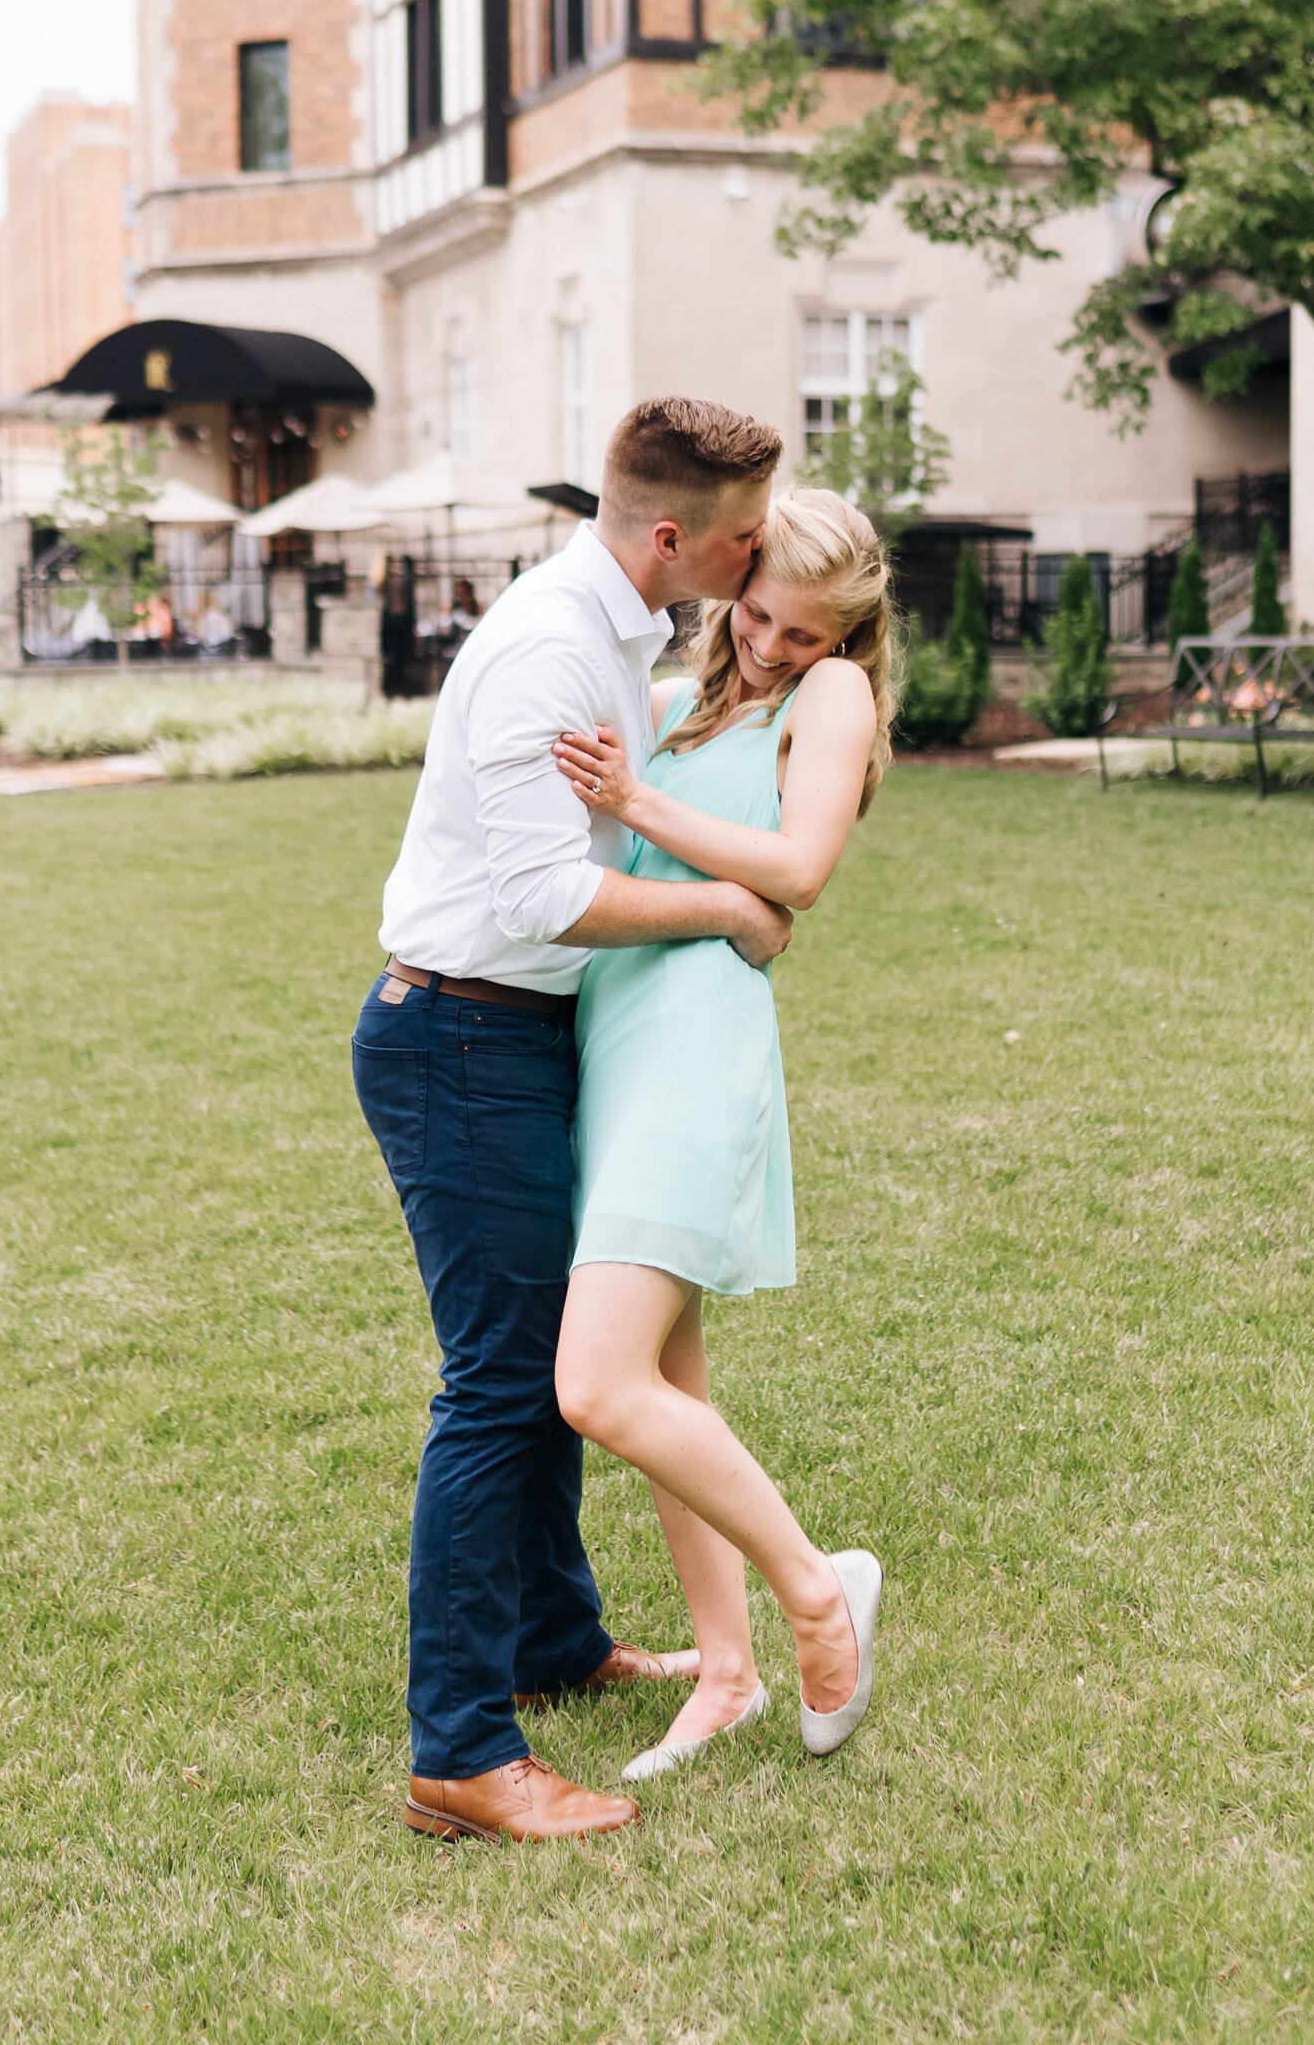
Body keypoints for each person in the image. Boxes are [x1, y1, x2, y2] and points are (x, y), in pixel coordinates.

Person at [351, 398, 791, 1847]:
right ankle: (462, 1755)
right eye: (744, 535)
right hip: (458, 1035)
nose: (760, 551)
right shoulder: (552, 645)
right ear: (672, 536)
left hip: (517, 1033)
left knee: (543, 1359)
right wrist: (726, 907)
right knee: (497, 1381)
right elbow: (551, 897)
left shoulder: (627, 628)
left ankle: (551, 1642)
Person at [550, 489, 894, 1782]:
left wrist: (643, 803)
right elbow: (730, 891)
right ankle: (729, 1668)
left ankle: (818, 1595)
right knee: (666, 1384)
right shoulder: (688, 694)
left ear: (846, 637)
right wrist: (721, 894)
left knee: (597, 1386)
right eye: (757, 615)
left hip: (695, 1055)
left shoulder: (836, 700)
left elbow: (795, 875)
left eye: (803, 636)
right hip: (615, 1046)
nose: (768, 647)